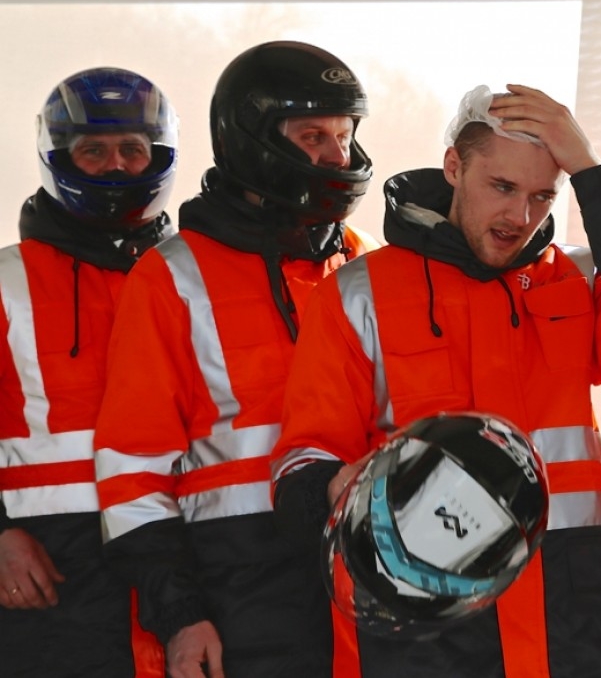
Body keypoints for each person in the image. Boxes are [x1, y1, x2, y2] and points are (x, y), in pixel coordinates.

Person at [269, 83, 601, 678]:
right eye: (502, 187)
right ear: (454, 166)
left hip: (576, 607)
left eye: (542, 195)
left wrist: (591, 170)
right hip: (430, 606)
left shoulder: (576, 279)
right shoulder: (358, 293)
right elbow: (304, 463)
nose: (520, 217)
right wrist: (337, 489)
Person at [92, 41, 378, 678]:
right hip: (239, 590)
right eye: (314, 137)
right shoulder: (171, 277)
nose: (339, 157)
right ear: (251, 141)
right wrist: (180, 615)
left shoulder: (363, 264)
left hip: (367, 575)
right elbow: (131, 474)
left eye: (344, 135)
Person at [0, 67, 177, 677]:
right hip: (47, 576)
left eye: (133, 148)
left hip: (182, 562)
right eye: (93, 151)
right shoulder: (6, 282)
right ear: (58, 159)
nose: (116, 165)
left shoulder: (193, 276)